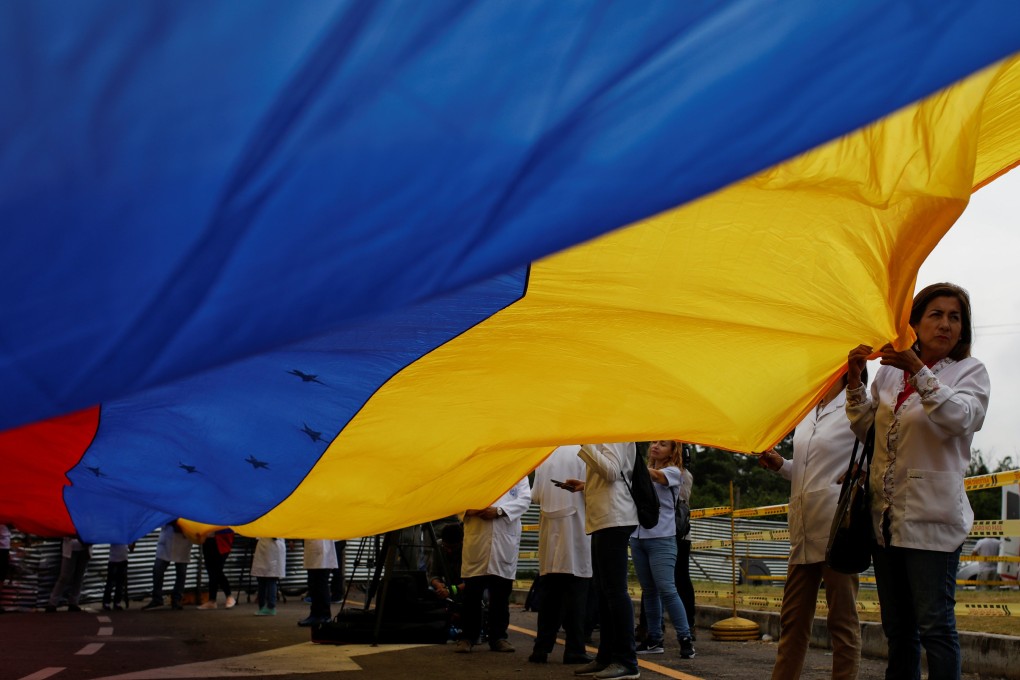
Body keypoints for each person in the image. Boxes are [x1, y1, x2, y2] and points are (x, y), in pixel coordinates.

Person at [847, 282, 990, 680]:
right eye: (936, 314)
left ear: (963, 330)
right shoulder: (889, 375)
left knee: (936, 629)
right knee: (899, 632)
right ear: (914, 323)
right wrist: (857, 380)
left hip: (933, 521)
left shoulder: (970, 372)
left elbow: (960, 419)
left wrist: (917, 368)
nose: (945, 324)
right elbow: (867, 431)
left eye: (955, 317)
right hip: (886, 521)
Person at [758, 371, 864, 680]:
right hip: (803, 529)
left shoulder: (856, 406)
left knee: (842, 621)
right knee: (792, 620)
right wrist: (782, 466)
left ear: (845, 373)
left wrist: (862, 470)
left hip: (837, 529)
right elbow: (807, 471)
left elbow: (874, 450)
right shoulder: (806, 414)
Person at [561, 443, 640, 680]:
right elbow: (610, 476)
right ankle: (605, 657)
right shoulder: (604, 432)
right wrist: (586, 486)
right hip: (604, 518)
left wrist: (585, 444)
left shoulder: (613, 429)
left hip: (614, 517)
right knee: (604, 593)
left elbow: (612, 471)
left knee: (615, 592)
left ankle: (627, 662)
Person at [528, 445, 595, 665]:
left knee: (549, 594)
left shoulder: (545, 452)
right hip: (577, 531)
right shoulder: (586, 450)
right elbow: (596, 490)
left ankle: (541, 648)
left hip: (550, 532)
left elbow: (536, 495)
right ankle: (574, 649)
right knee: (576, 594)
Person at [628, 441, 695, 659]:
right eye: (654, 442)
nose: (655, 446)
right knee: (649, 591)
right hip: (638, 537)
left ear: (672, 451)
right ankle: (654, 639)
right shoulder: (639, 473)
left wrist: (630, 466)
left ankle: (685, 638)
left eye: (663, 444)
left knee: (667, 588)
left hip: (662, 538)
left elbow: (656, 476)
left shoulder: (675, 472)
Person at [455, 476, 531, 654]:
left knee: (500, 596)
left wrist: (499, 511)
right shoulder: (475, 468)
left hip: (503, 541)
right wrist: (468, 510)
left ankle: (498, 638)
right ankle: (468, 637)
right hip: (477, 540)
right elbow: (457, 498)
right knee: (472, 595)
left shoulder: (520, 471)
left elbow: (525, 500)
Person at [143, 520, 193, 610]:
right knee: (157, 570)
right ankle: (157, 598)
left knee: (181, 573)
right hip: (167, 539)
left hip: (183, 540)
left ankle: (176, 600)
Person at [673, 444, 696, 640]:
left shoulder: (680, 475)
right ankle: (689, 623)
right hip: (680, 535)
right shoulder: (684, 474)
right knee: (681, 579)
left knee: (679, 580)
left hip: (676, 534)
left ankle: (689, 623)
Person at [45, 536, 92, 612]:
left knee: (79, 577)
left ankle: (73, 602)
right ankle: (52, 603)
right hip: (70, 549)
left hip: (84, 549)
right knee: (64, 577)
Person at [298, 539, 337, 626]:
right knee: (313, 584)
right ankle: (315, 614)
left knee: (321, 584)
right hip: (312, 549)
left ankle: (324, 615)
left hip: (322, 549)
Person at [198, 528, 236, 609]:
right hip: (208, 541)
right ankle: (212, 600)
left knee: (217, 570)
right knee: (211, 572)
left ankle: (229, 596)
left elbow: (230, 526)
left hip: (221, 542)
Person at [251, 537, 286, 616]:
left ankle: (270, 606)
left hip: (271, 546)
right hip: (266, 545)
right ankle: (263, 606)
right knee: (264, 578)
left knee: (270, 578)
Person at [102, 543, 133, 611]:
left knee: (120, 584)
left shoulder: (125, 536)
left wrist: (133, 542)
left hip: (123, 561)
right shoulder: (114, 533)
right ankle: (106, 602)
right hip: (113, 561)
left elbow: (131, 549)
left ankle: (117, 603)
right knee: (110, 583)